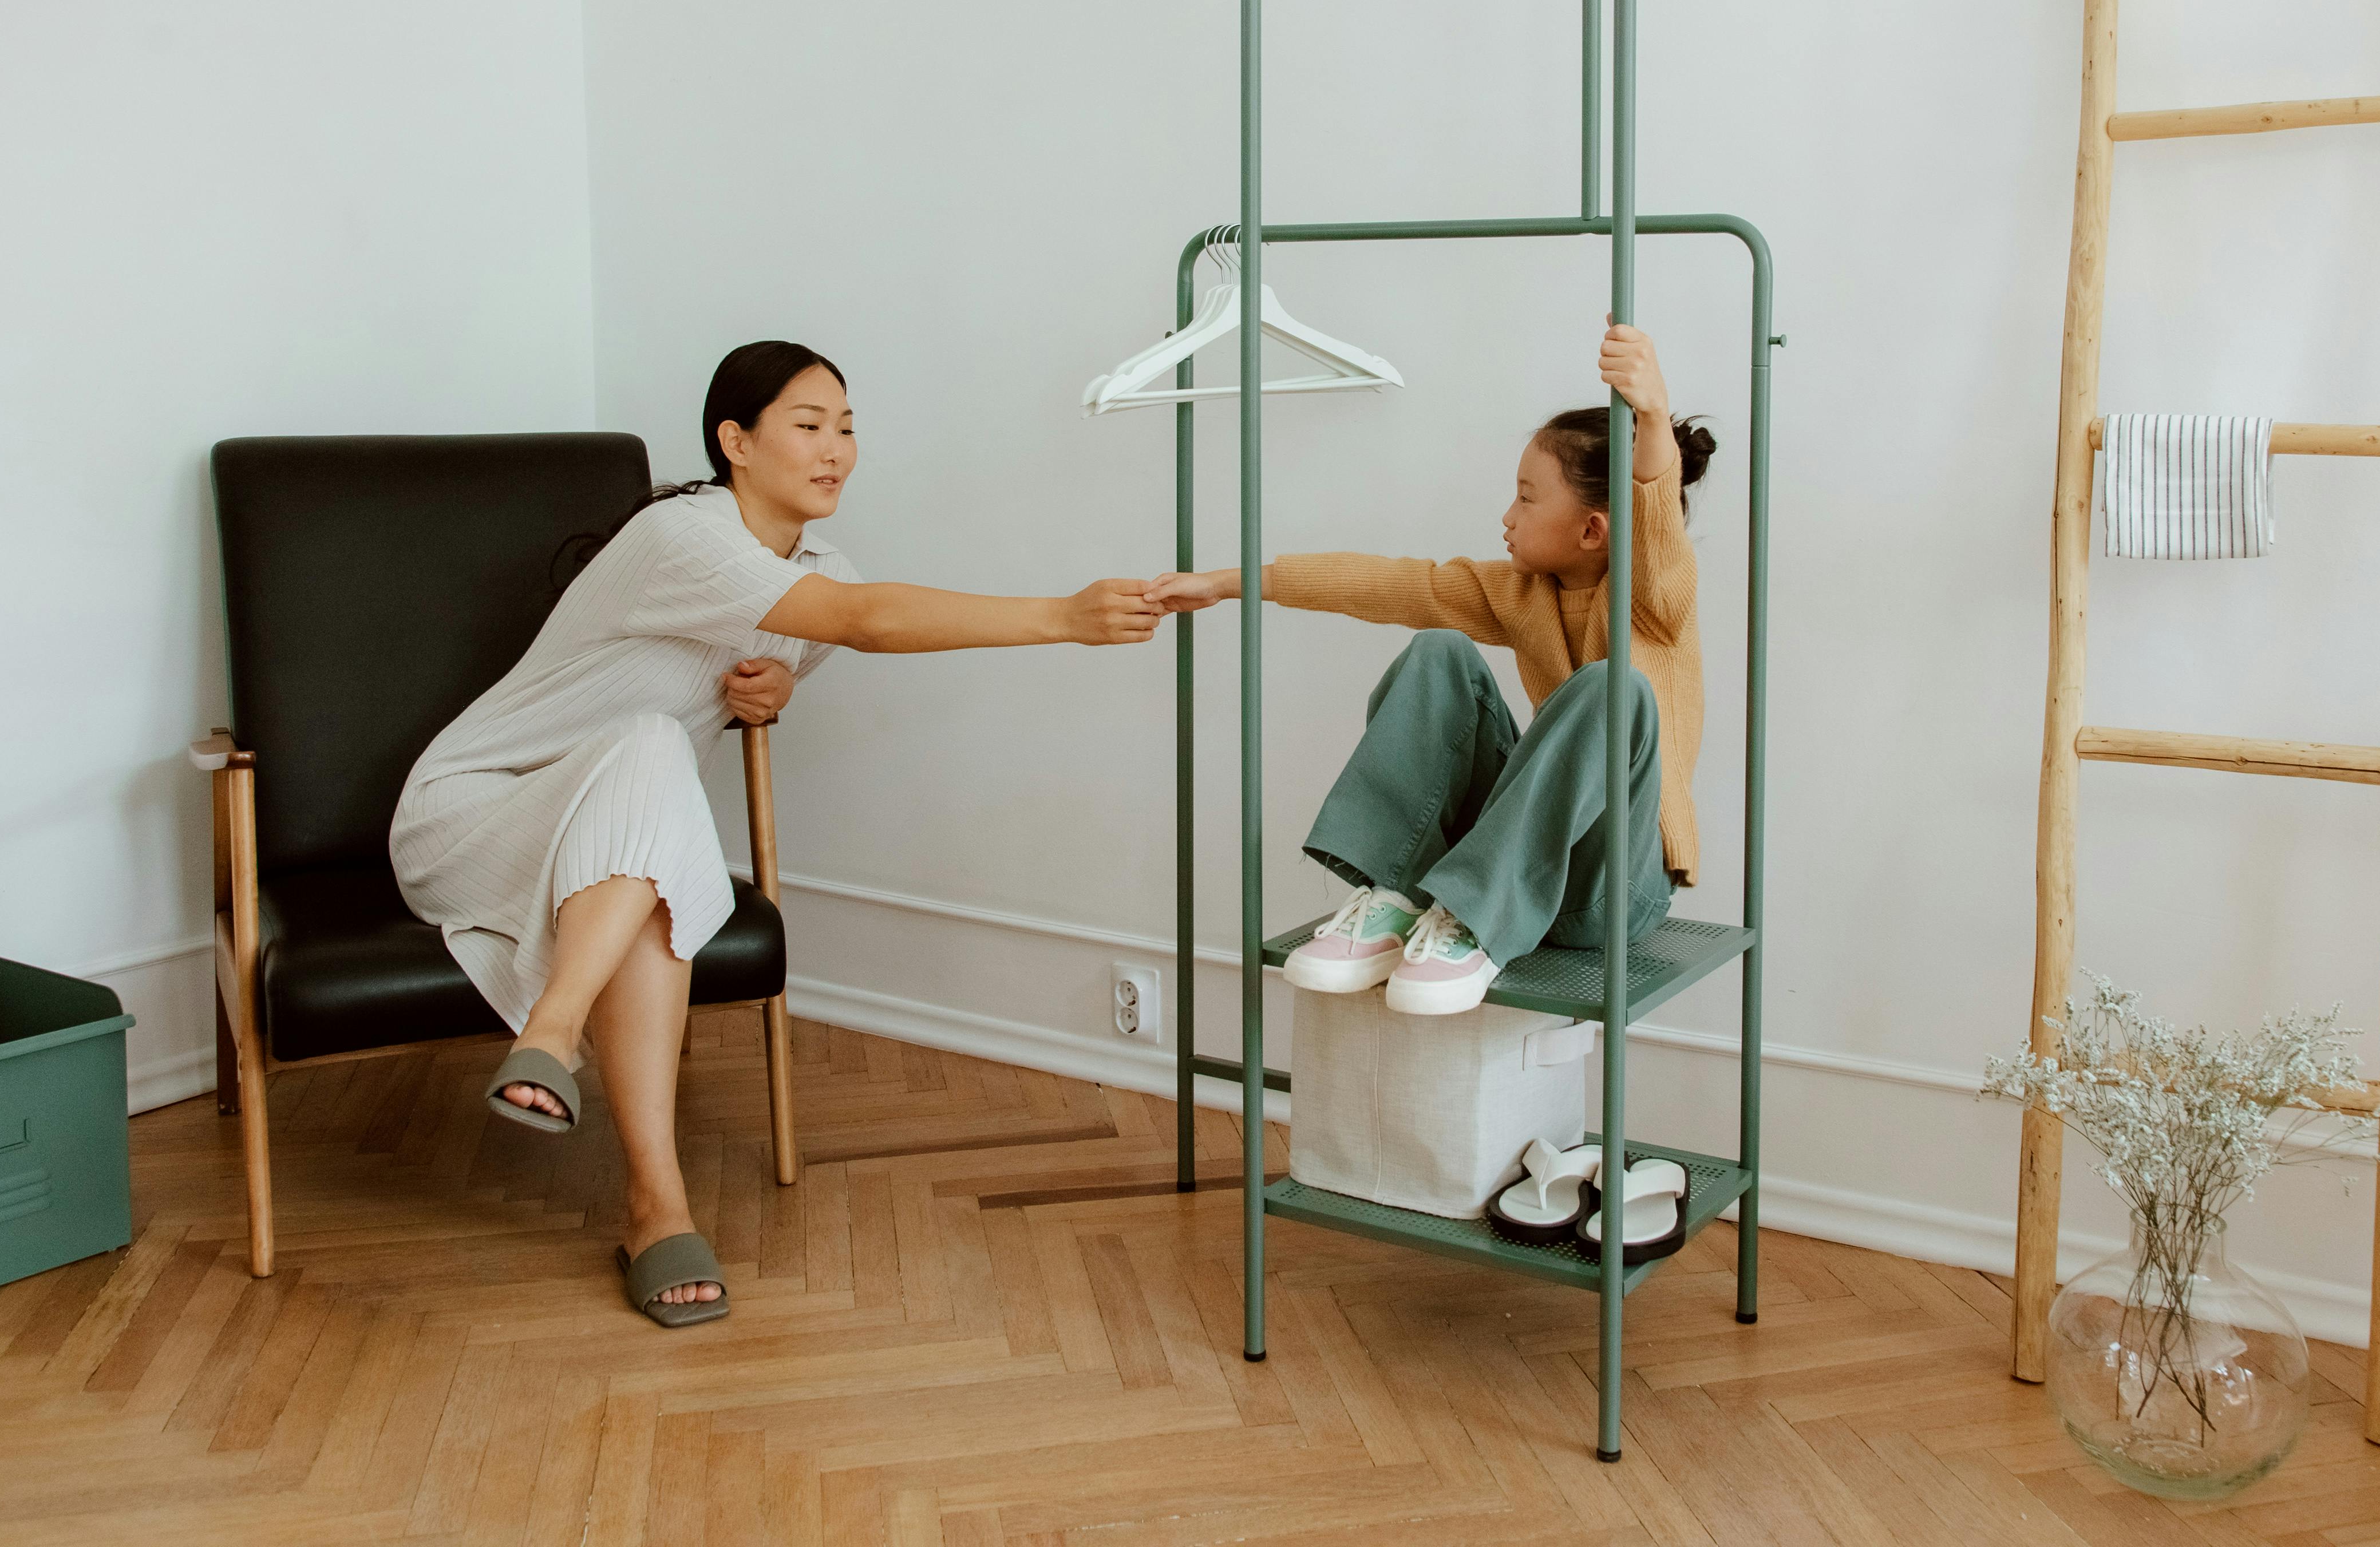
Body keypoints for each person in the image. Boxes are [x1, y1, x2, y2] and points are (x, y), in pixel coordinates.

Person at [390, 340, 1157, 1325]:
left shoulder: (817, 566)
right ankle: (558, 1030)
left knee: (657, 808)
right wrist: (1062, 614)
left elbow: (801, 641)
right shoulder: (681, 536)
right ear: (735, 441)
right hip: (471, 820)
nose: (835, 448)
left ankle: (652, 1199)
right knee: (652, 744)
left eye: (846, 428)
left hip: (605, 856)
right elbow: (863, 620)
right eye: (807, 424)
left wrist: (781, 681)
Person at [1149, 322, 1714, 1015]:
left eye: (1527, 497)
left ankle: (1475, 921)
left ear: (1593, 529)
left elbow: (1654, 525)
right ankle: (1398, 892)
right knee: (1437, 649)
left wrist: (1652, 415)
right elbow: (1388, 584)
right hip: (1531, 866)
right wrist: (1225, 583)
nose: (1507, 516)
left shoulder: (1655, 603)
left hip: (1608, 894)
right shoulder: (1521, 594)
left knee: (1612, 685)